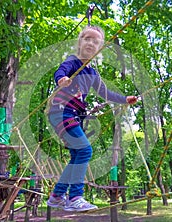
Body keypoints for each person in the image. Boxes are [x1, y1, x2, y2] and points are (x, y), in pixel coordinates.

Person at [46, 25, 138, 212]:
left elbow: (105, 92)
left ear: (100, 48)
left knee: (78, 155)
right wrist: (61, 79)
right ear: (79, 43)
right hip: (62, 111)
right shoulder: (72, 62)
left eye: (95, 41)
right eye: (87, 39)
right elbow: (61, 71)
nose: (90, 43)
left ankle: (57, 195)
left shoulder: (93, 73)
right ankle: (75, 197)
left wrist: (124, 99)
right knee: (86, 150)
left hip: (73, 115)